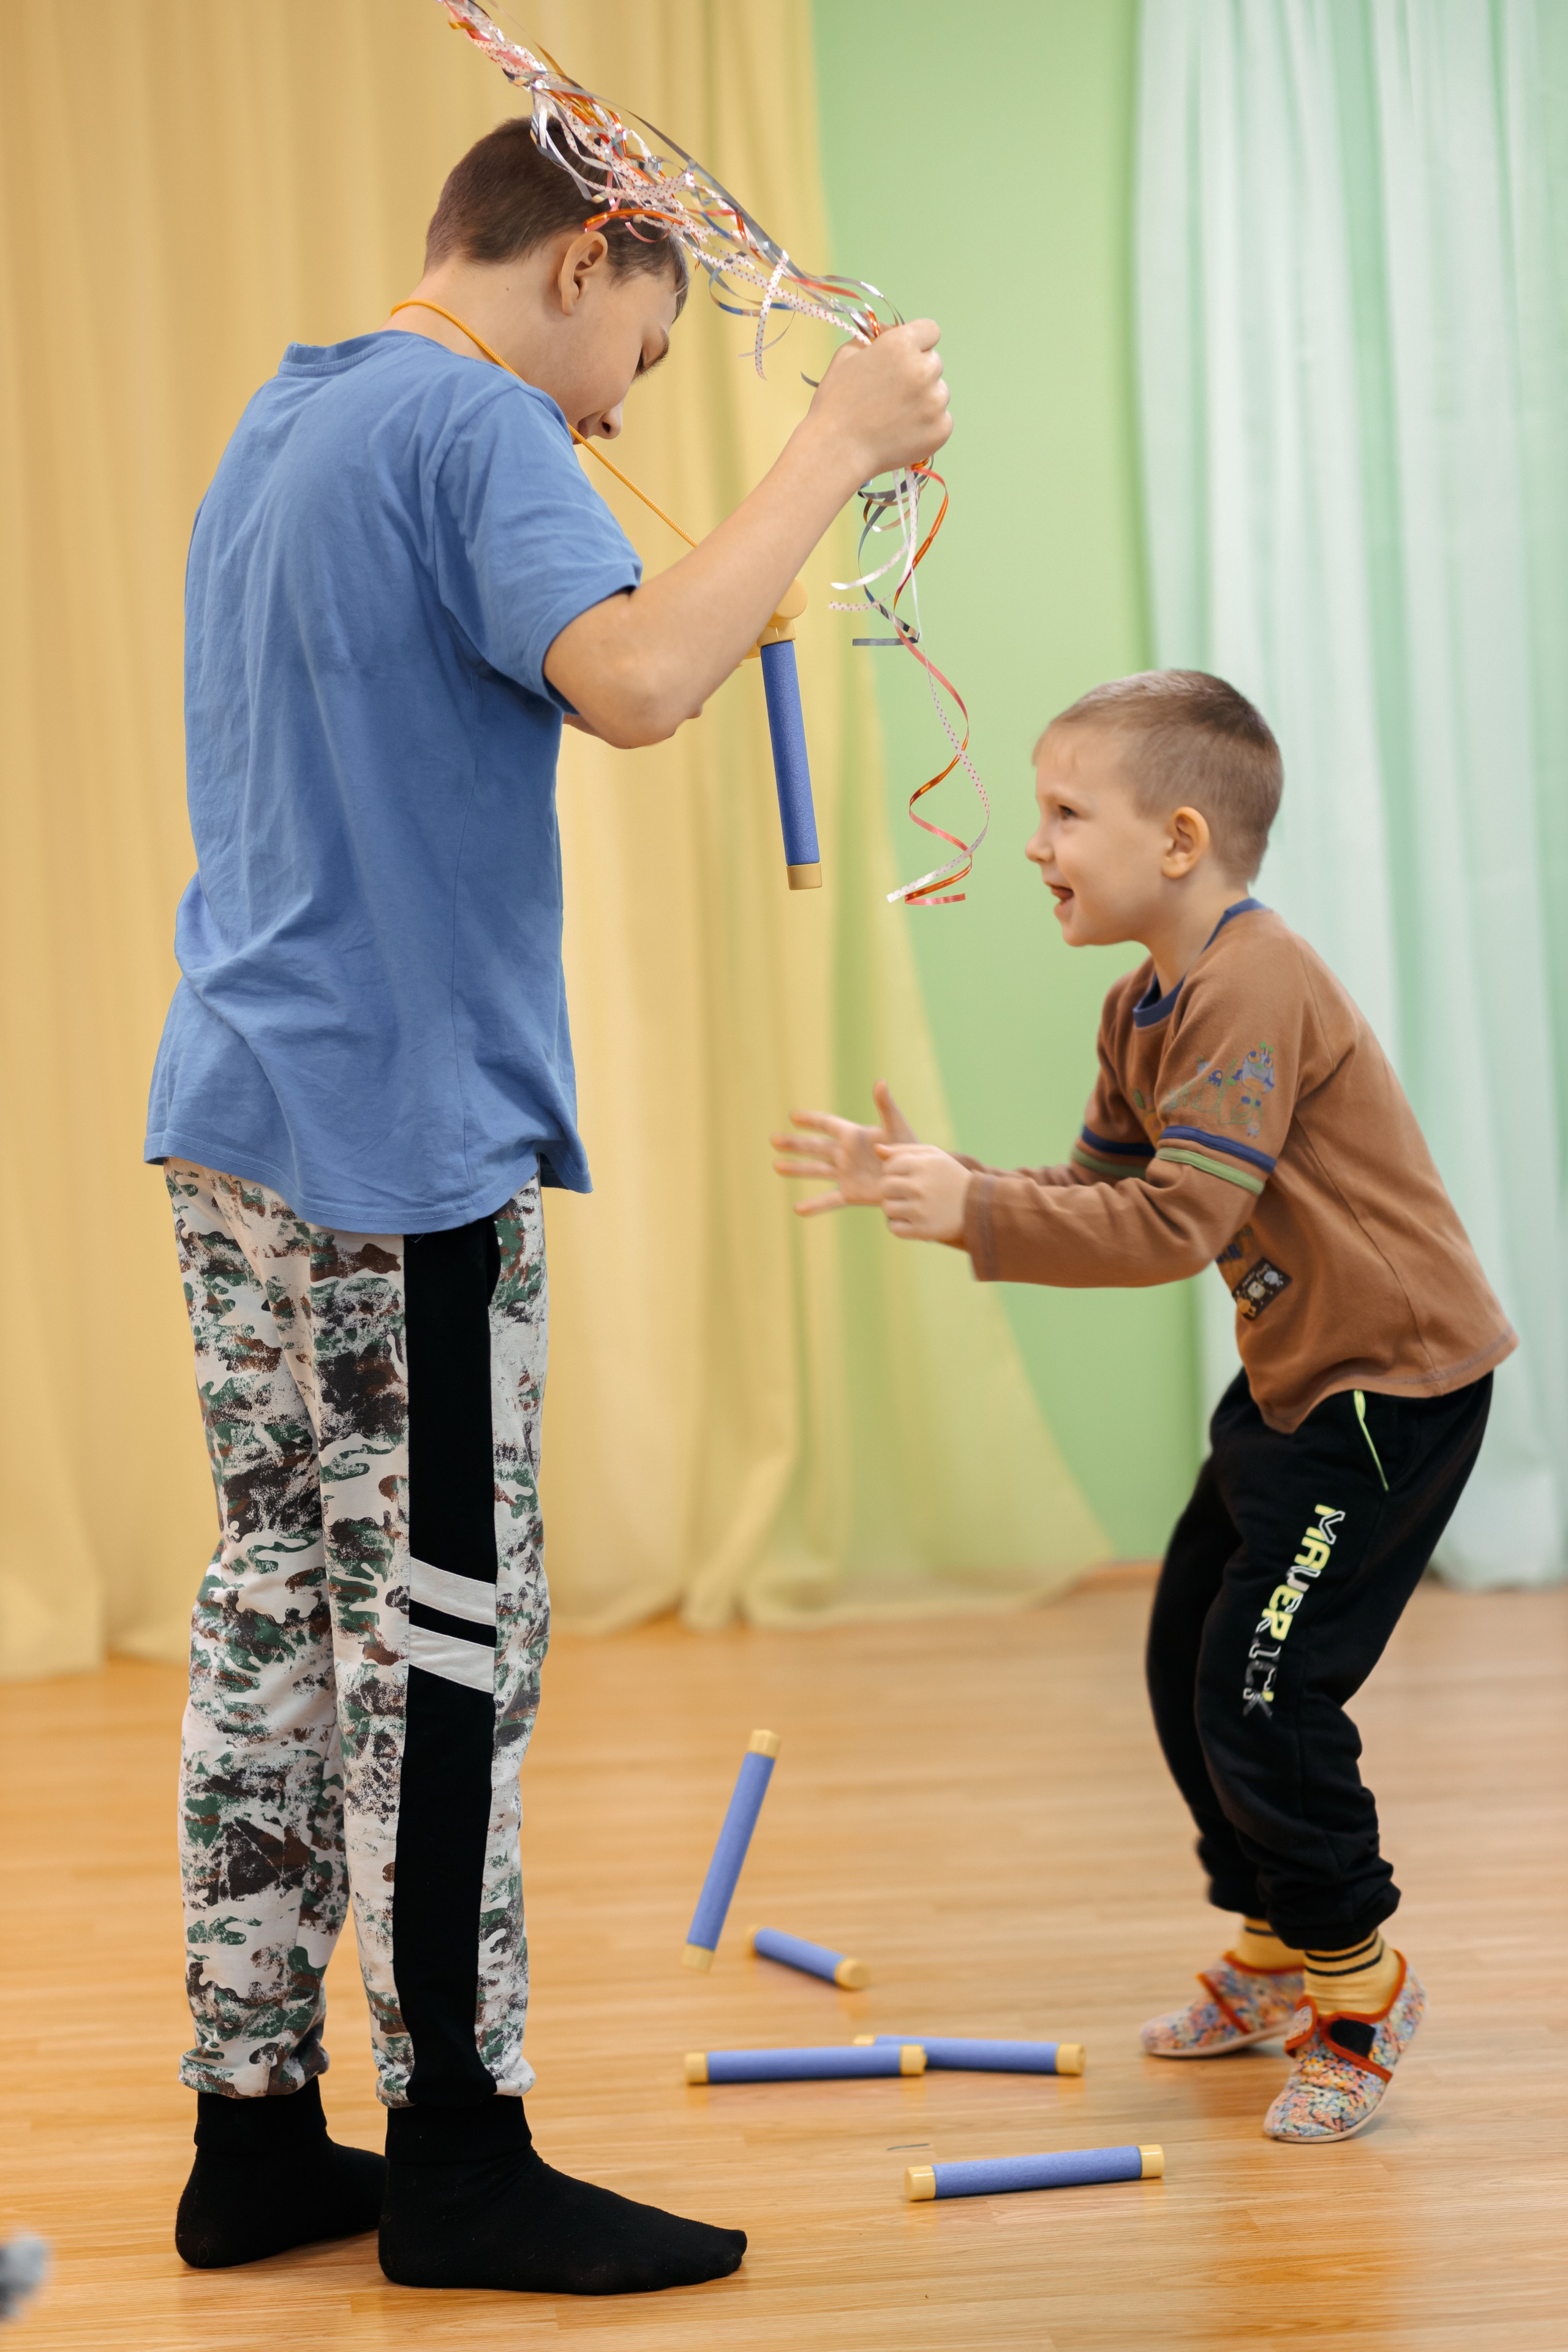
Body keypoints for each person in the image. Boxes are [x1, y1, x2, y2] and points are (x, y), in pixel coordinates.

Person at [146, 115, 951, 2294]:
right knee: (440, 1648)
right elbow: (642, 680)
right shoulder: (479, 418)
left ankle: (251, 2135)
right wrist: (836, 443)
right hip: (392, 1141)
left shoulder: (289, 416)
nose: (617, 416)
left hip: (238, 1109)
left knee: (278, 1620)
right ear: (587, 259)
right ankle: (460, 2161)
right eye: (646, 357)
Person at [772, 669, 1514, 2146]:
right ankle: (1270, 1947)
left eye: (1064, 813)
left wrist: (971, 1212)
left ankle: (1357, 1991)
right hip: (1296, 1378)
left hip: (1387, 1388)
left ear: (1178, 840)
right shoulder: (1140, 1006)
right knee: (1190, 1660)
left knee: (1263, 1692)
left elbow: (1176, 1227)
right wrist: (949, 1186)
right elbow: (1103, 1190)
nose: (1032, 842)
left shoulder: (1252, 982)